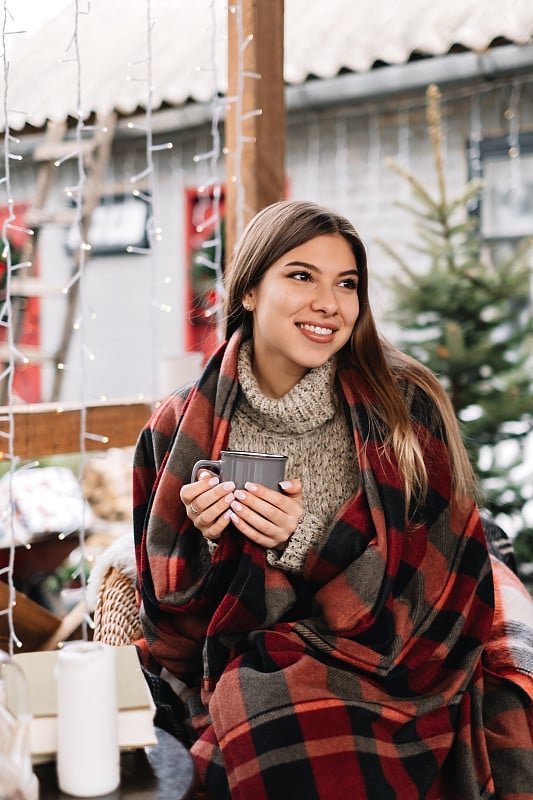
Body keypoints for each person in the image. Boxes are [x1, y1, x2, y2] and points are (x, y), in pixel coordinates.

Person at [133, 200, 533, 799]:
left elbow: (442, 580)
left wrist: (308, 542)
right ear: (248, 290)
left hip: (390, 659)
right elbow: (165, 612)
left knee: (285, 727)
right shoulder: (177, 427)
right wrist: (211, 540)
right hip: (249, 658)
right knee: (260, 709)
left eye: (347, 284)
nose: (330, 303)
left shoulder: (403, 407)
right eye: (301, 276)